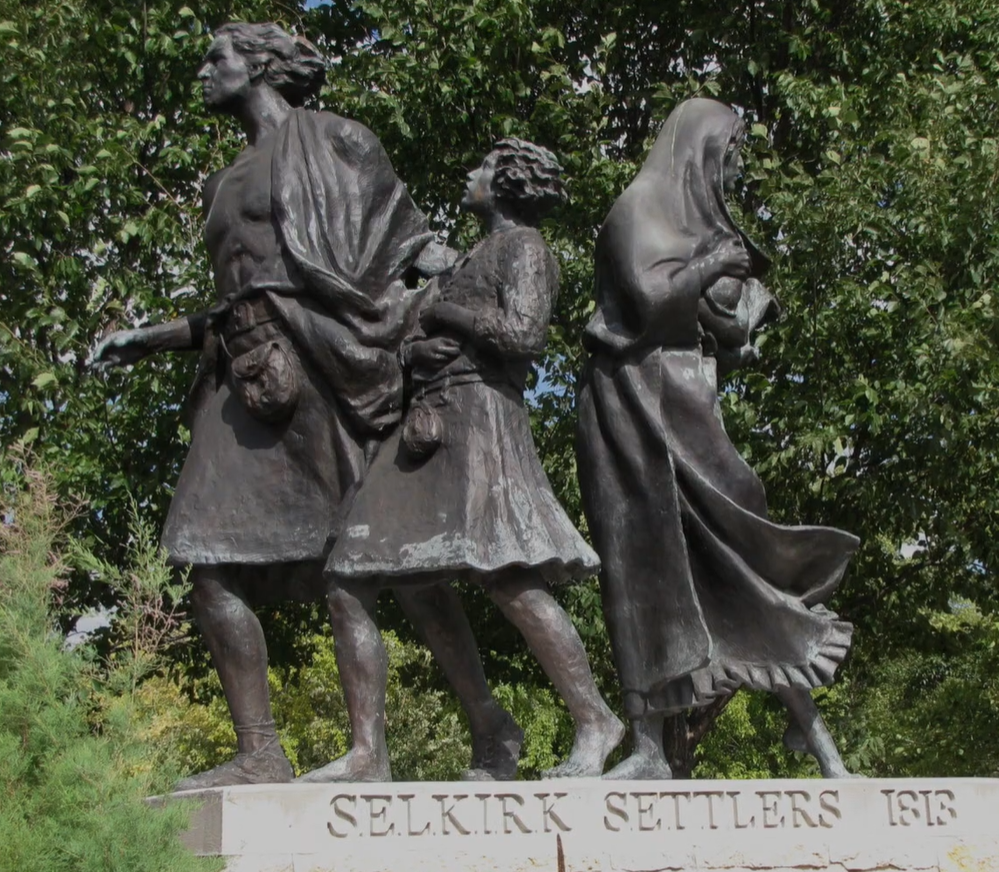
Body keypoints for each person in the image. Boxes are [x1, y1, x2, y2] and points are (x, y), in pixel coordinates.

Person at [92, 22, 519, 788]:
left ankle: (489, 723)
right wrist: (147, 338)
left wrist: (467, 285)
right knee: (207, 567)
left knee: (392, 566)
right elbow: (233, 302)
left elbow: (408, 242)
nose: (203, 70)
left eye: (215, 57)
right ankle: (260, 752)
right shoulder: (219, 183)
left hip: (333, 368)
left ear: (258, 65)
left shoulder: (340, 140)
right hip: (247, 379)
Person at [575, 98, 860, 780]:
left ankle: (822, 748)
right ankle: (648, 747)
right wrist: (711, 267)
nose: (731, 168)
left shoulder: (695, 227)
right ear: (698, 150)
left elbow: (724, 334)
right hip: (628, 411)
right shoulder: (635, 210)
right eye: (727, 153)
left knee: (745, 570)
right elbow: (648, 303)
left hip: (687, 412)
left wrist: (738, 308)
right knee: (640, 573)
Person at [325, 138, 625, 778]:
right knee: (366, 572)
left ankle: (595, 719)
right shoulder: (464, 259)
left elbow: (523, 334)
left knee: (506, 575)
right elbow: (419, 338)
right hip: (429, 425)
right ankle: (447, 734)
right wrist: (418, 348)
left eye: (481, 167)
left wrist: (448, 317)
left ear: (508, 183)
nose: (469, 172)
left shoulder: (524, 248)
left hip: (480, 422)